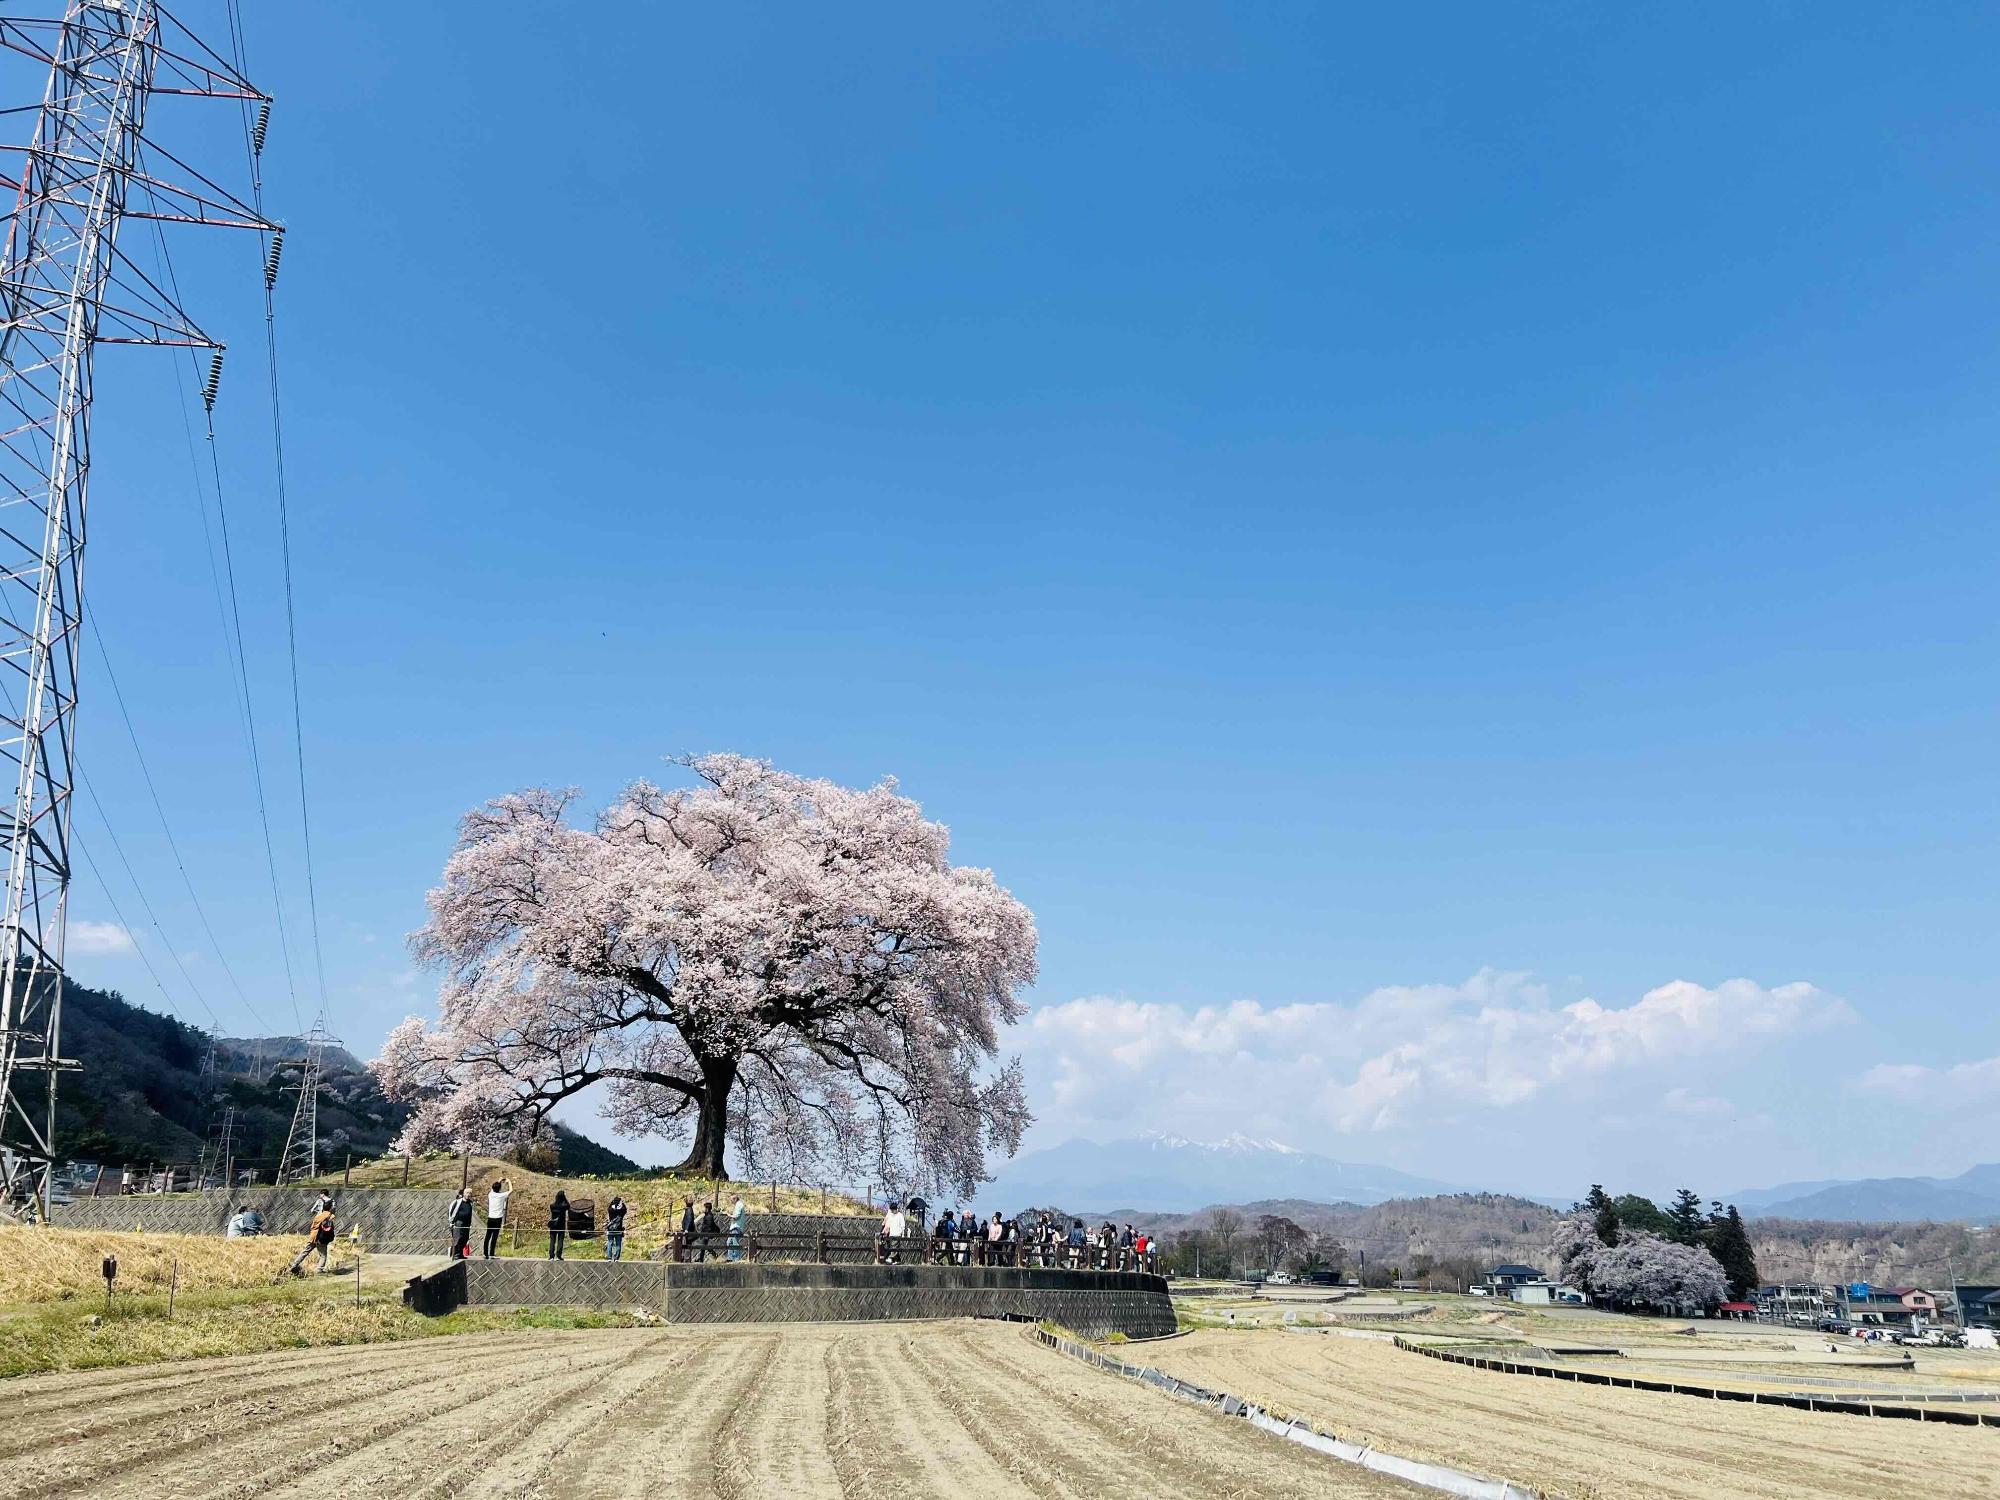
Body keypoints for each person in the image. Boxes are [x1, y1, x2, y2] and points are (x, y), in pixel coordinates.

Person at [289, 1202, 336, 1276]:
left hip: (313, 1236)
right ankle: (319, 1269)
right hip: (321, 1238)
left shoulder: (318, 1215)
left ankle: (294, 1265)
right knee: (323, 1255)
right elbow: (330, 1227)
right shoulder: (331, 1216)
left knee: (305, 1251)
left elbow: (312, 1226)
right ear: (330, 1208)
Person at [484, 1177, 512, 1258]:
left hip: (490, 1217)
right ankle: (492, 1253)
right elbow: (511, 1190)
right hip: (498, 1218)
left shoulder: (490, 1194)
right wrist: (509, 1181)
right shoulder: (501, 1195)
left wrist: (499, 1181)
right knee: (495, 1236)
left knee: (488, 1235)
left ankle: (485, 1253)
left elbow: (493, 1188)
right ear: (499, 1188)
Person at [448, 1188, 474, 1259]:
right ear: (463, 1194)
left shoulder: (470, 1203)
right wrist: (451, 1222)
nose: (468, 1195)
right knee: (458, 1239)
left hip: (466, 1223)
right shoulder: (457, 1202)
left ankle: (460, 1254)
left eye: (470, 1193)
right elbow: (451, 1212)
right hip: (458, 1223)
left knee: (465, 1239)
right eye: (467, 1193)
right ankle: (455, 1254)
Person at [547, 1191, 569, 1260]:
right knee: (560, 1240)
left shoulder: (552, 1206)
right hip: (561, 1225)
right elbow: (568, 1206)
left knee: (552, 1240)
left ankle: (551, 1256)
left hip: (553, 1225)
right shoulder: (563, 1207)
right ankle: (558, 1255)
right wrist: (565, 1198)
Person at [605, 1195, 627, 1261]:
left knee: (610, 1243)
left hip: (610, 1229)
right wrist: (622, 1203)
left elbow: (609, 1207)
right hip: (619, 1229)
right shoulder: (621, 1210)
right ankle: (617, 1258)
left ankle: (609, 1258)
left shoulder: (610, 1210)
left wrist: (612, 1202)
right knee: (618, 1244)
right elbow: (625, 1209)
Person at [727, 1196, 747, 1262]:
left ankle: (736, 1259)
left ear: (735, 1199)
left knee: (734, 1242)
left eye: (731, 1200)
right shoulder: (739, 1205)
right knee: (730, 1242)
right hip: (736, 1227)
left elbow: (736, 1216)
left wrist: (729, 1215)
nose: (731, 1201)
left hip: (736, 1227)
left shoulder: (738, 1205)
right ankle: (730, 1258)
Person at [678, 1197, 696, 1262]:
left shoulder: (689, 1210)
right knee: (687, 1244)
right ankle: (686, 1258)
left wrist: (686, 1229)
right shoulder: (689, 1209)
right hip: (689, 1229)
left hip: (689, 1230)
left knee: (687, 1244)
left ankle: (686, 1258)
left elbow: (689, 1220)